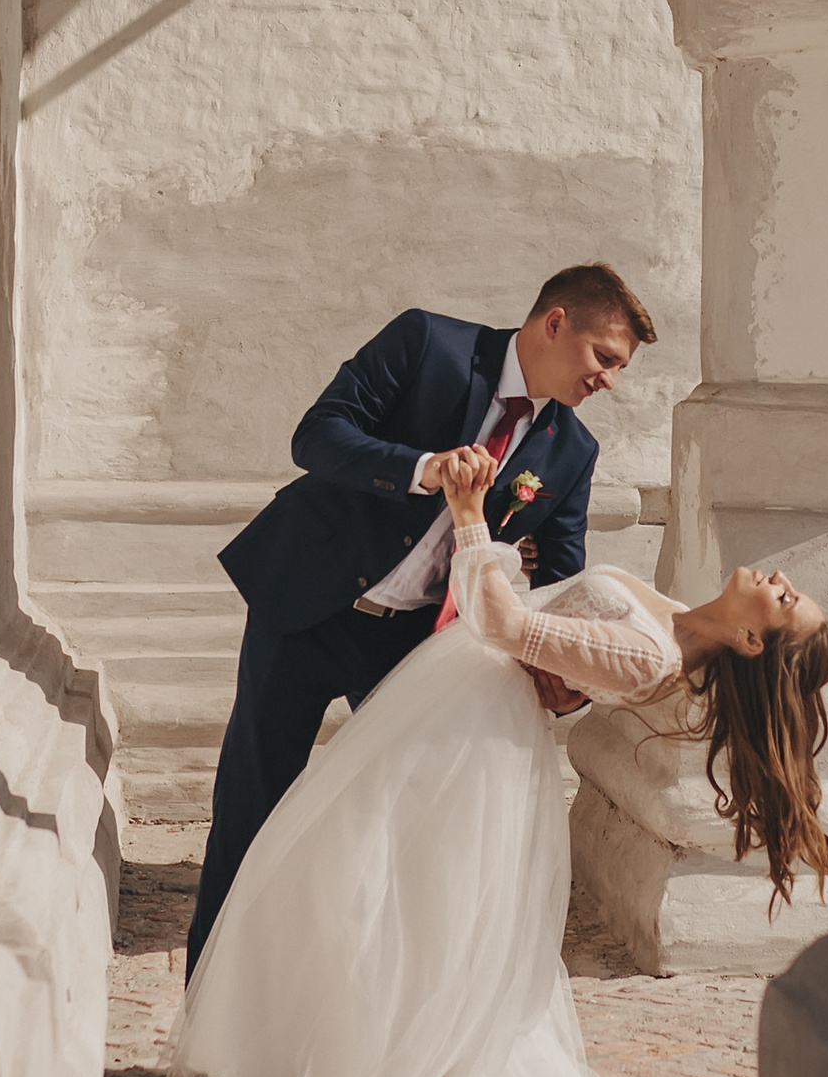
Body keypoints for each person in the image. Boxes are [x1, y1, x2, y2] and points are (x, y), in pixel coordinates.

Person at [168, 444, 828, 1077]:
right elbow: (550, 639)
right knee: (354, 874)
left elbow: (504, 625)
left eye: (783, 601)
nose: (778, 580)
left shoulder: (655, 657)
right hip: (456, 703)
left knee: (363, 880)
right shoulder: (675, 619)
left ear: (751, 641)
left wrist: (467, 515)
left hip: (467, 733)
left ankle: (343, 1066)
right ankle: (290, 1046)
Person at [190, 266, 656, 967]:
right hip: (307, 604)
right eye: (604, 359)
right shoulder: (429, 345)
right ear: (555, 323)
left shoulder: (572, 451)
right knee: (250, 810)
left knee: (400, 829)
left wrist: (565, 677)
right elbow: (316, 436)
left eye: (618, 369)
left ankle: (349, 1007)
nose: (609, 382)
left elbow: (560, 582)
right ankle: (205, 1026)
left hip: (412, 647)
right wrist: (423, 468)